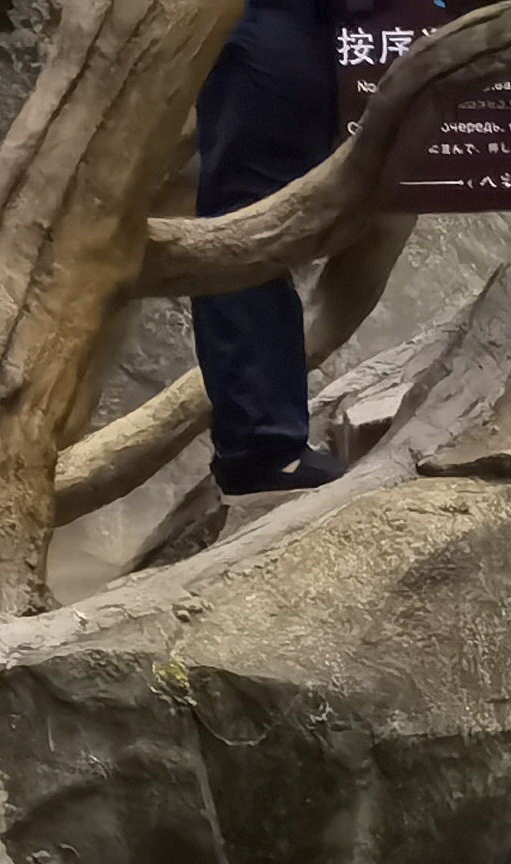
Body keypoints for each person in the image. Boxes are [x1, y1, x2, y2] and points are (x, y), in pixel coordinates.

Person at [192, 0, 345, 495]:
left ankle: (263, 440)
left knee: (257, 210)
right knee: (245, 215)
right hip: (269, 17)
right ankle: (262, 446)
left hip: (331, 25)